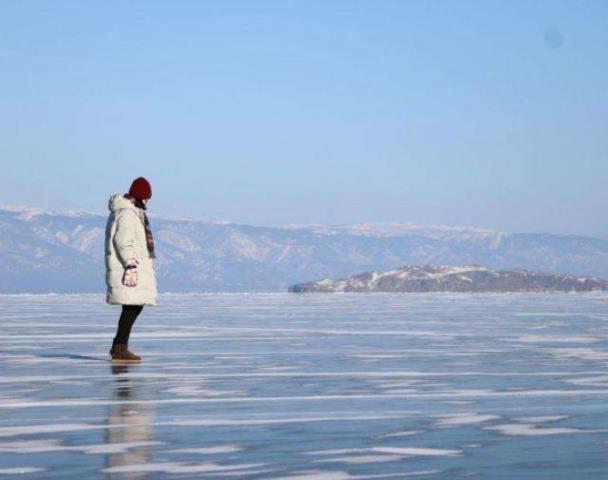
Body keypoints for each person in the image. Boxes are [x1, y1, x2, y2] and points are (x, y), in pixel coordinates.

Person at [105, 177, 158, 362]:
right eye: (146, 197)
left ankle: (119, 346)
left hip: (133, 265)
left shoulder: (133, 211)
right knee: (132, 306)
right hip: (129, 266)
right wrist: (130, 263)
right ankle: (119, 347)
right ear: (139, 195)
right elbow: (123, 240)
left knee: (134, 305)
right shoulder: (127, 213)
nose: (148, 200)